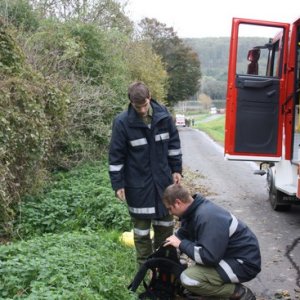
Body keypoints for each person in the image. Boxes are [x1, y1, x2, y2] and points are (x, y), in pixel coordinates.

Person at [108, 81, 182, 266]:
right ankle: (145, 270)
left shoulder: (164, 117)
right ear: (130, 102)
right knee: (141, 234)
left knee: (165, 229)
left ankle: (164, 269)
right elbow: (116, 157)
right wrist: (118, 185)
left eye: (144, 105)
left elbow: (174, 146)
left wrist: (176, 169)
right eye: (137, 106)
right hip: (138, 186)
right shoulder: (122, 122)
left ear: (149, 97)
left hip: (164, 185)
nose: (141, 110)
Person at [163, 184, 261, 300]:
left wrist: (180, 244)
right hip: (230, 256)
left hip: (244, 263)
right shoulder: (194, 212)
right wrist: (166, 247)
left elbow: (208, 257)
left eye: (170, 208)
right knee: (195, 270)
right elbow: (182, 234)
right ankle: (216, 292)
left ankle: (238, 292)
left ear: (178, 203)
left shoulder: (207, 217)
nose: (170, 213)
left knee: (189, 278)